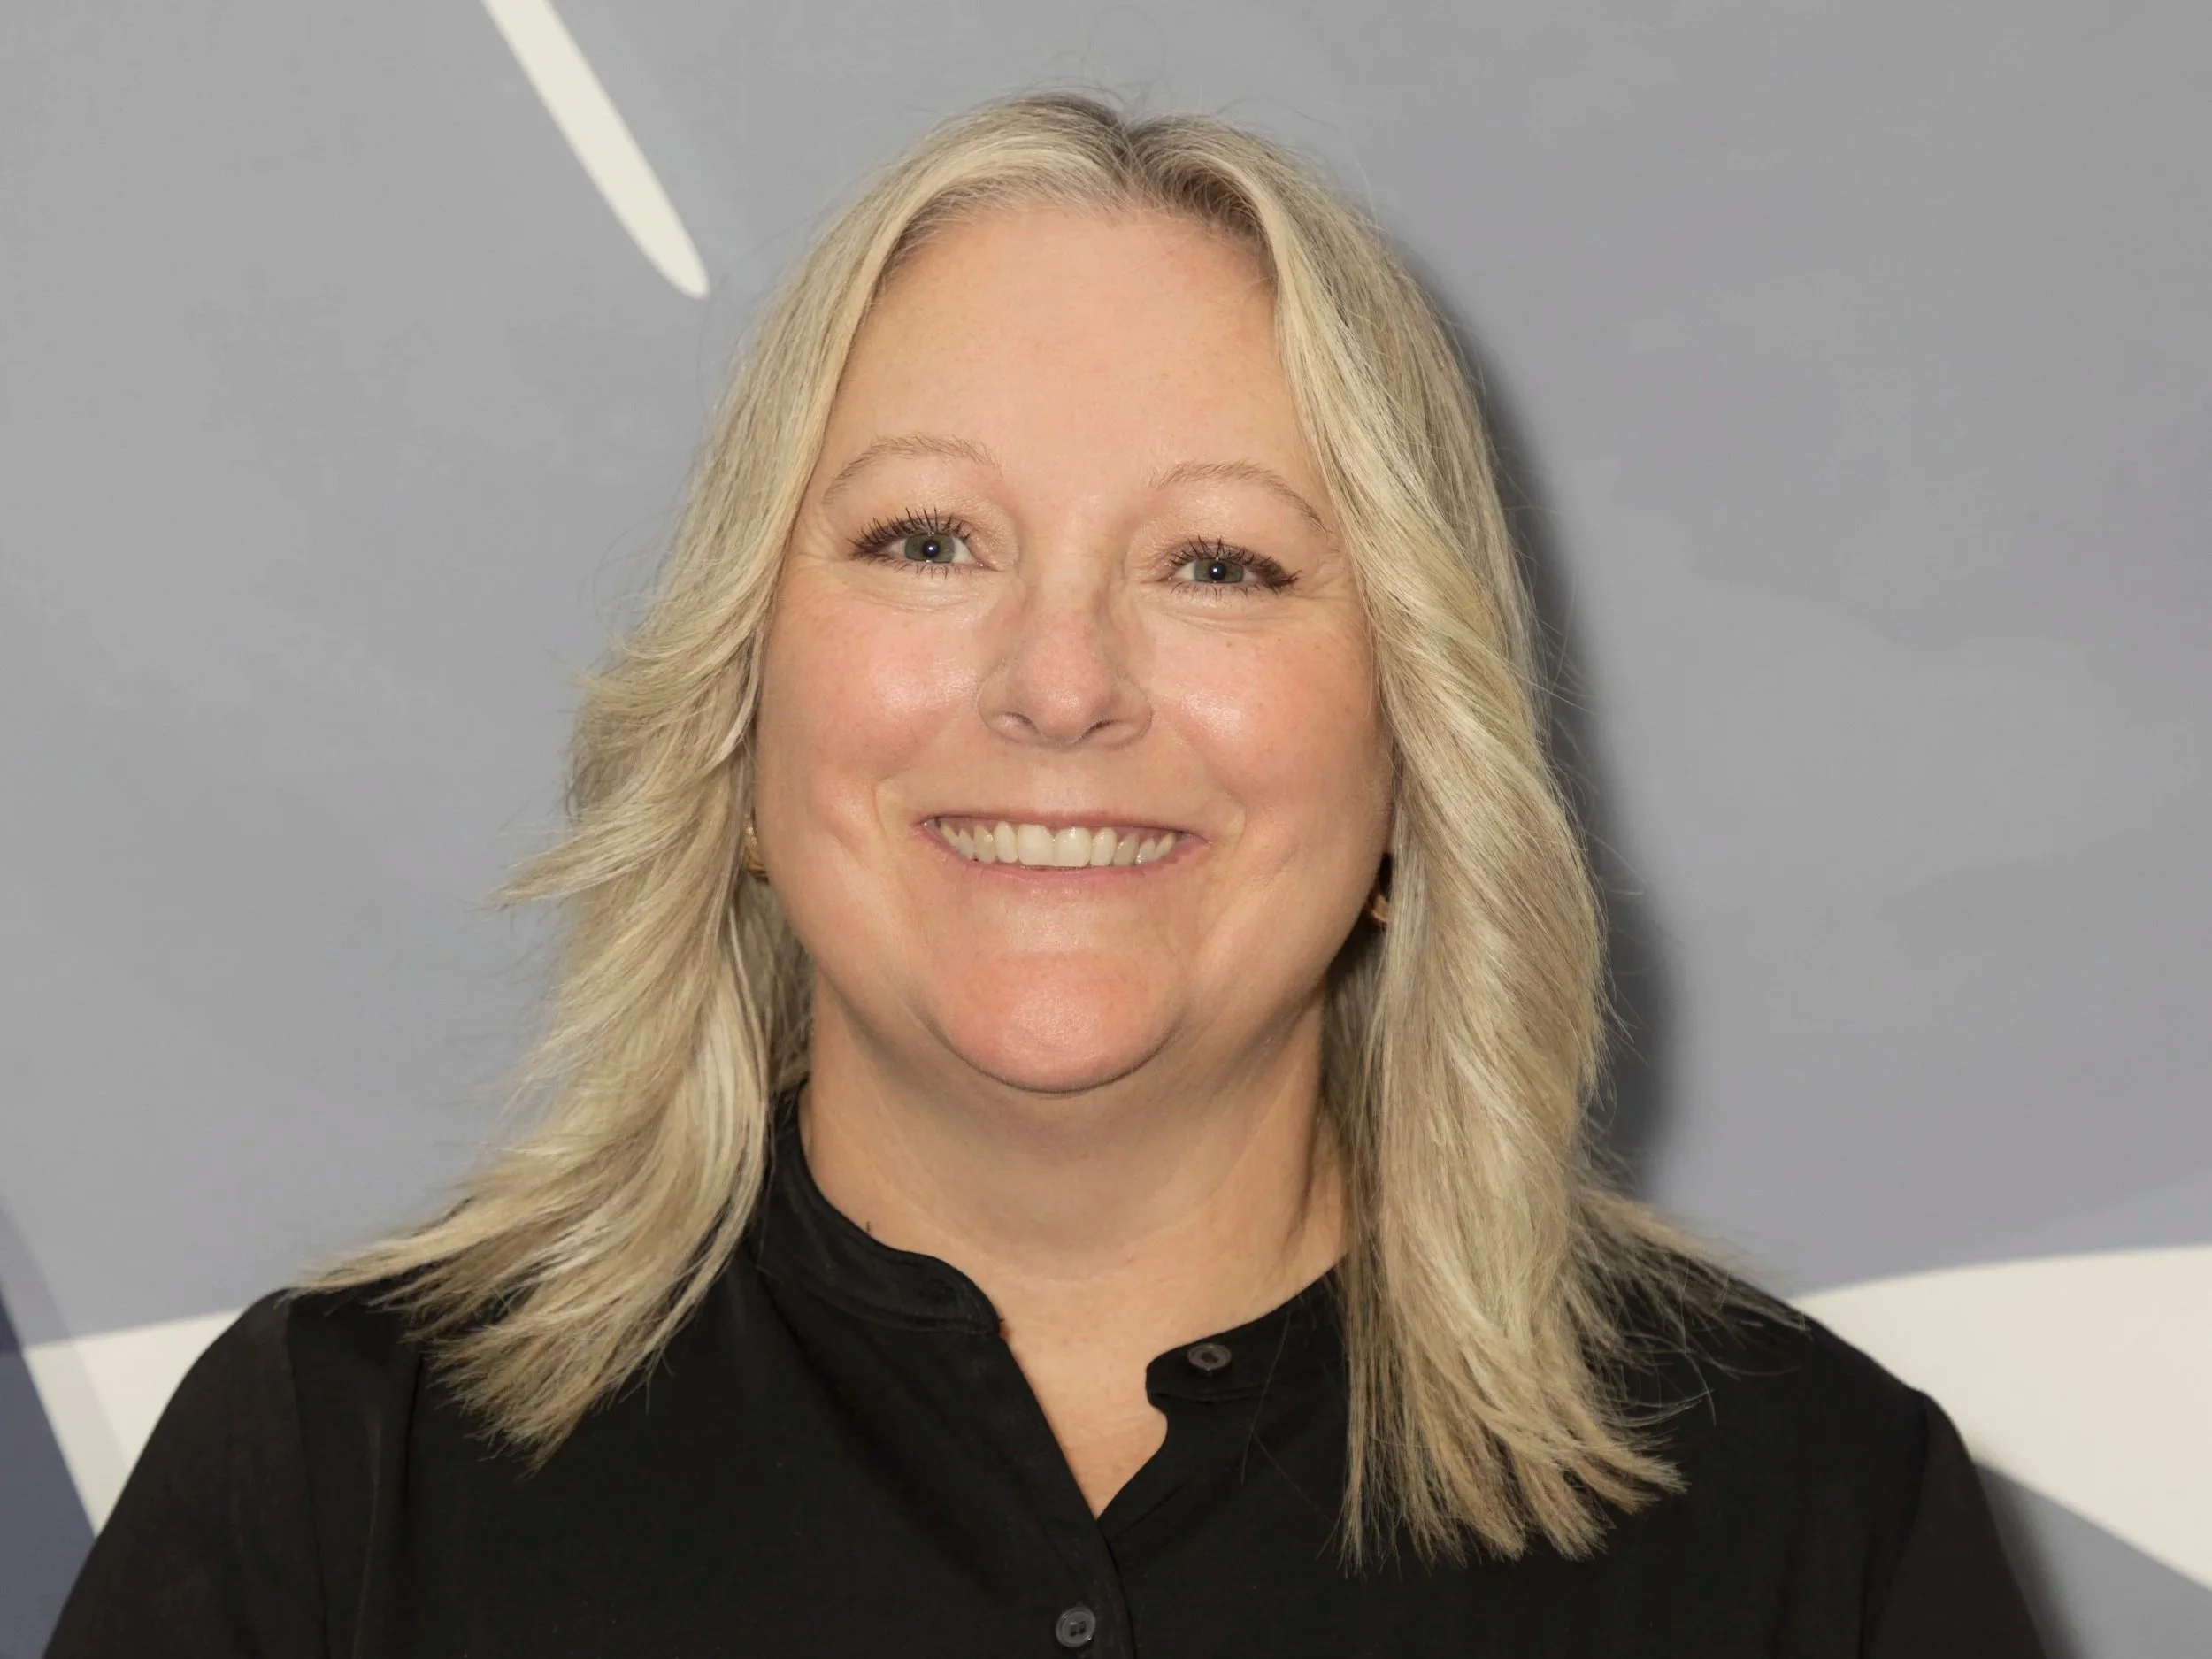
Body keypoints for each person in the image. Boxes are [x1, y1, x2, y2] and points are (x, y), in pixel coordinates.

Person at [49, 93, 2044, 1657]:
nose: (1061, 683)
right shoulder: (341, 1480)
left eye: (1219, 564)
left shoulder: (1808, 1523)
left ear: (1415, 754)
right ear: (737, 722)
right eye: (927, 540)